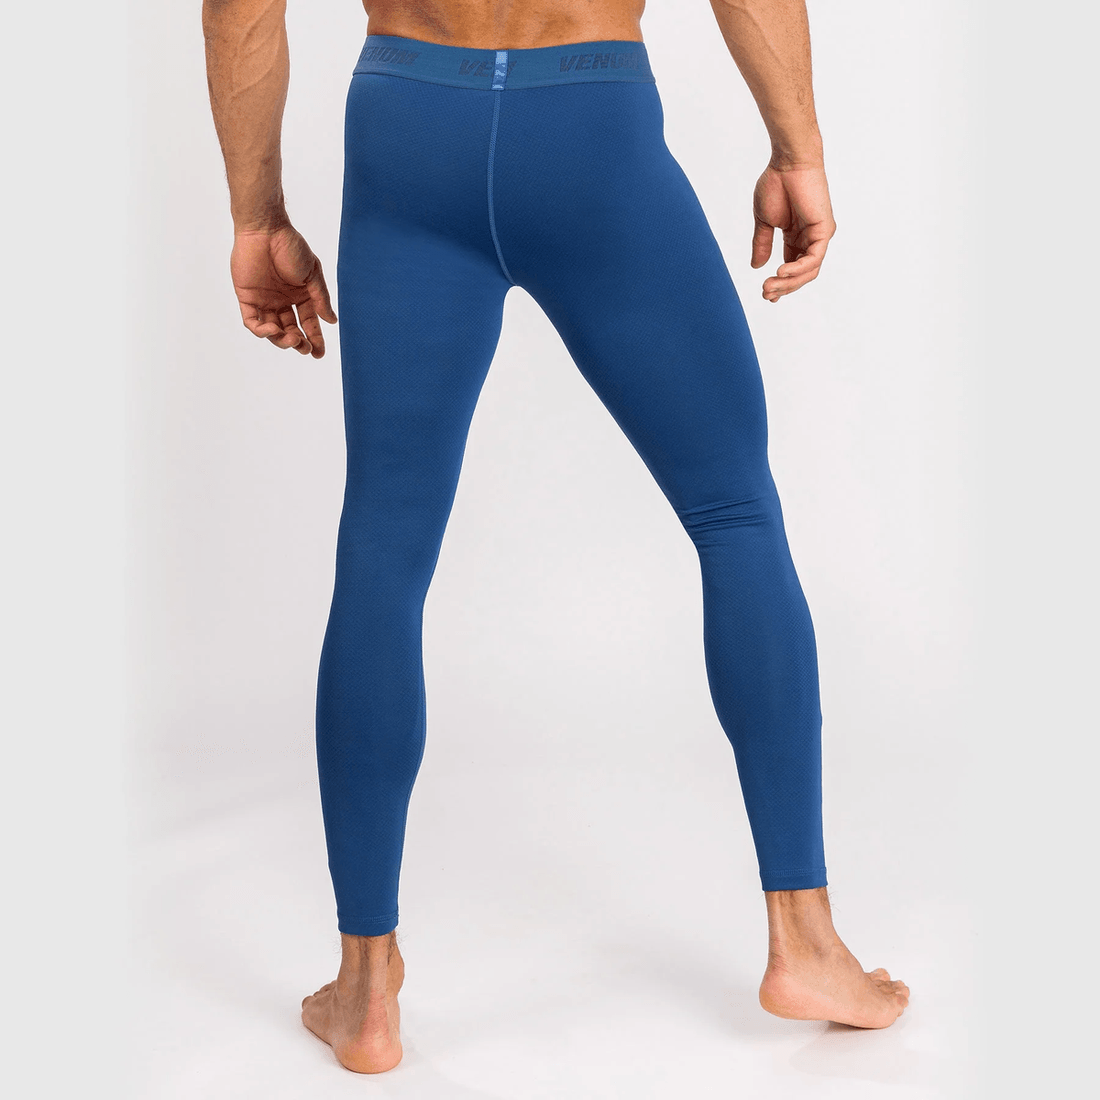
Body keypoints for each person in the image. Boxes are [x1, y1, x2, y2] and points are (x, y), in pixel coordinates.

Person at [202, 0, 910, 1074]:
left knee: (382, 548)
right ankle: (806, 941)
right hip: (590, 126)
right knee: (732, 513)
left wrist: (256, 218)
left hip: (406, 130)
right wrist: (797, 150)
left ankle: (365, 990)